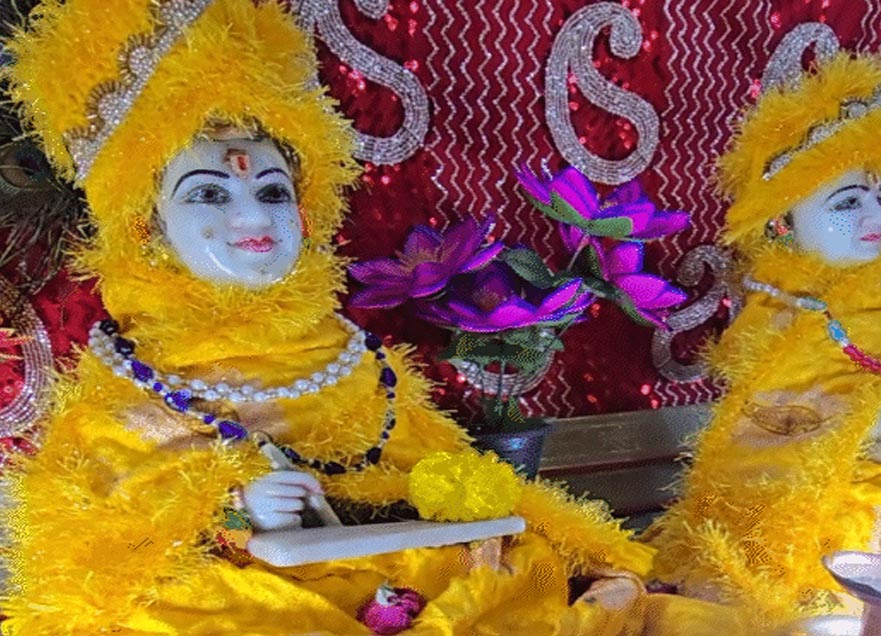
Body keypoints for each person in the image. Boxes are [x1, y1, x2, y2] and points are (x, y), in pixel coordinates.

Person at [0, 1, 736, 633]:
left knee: (523, 568)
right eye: (208, 195)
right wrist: (235, 505)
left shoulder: (354, 356)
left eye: (273, 191)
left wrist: (469, 504)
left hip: (402, 566)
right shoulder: (133, 377)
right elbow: (98, 537)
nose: (252, 217)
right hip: (245, 590)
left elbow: (427, 467)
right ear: (147, 226)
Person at [640, 52, 881, 631]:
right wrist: (856, 427)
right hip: (807, 497)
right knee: (855, 531)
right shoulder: (780, 316)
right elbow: (752, 436)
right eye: (847, 202)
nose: (874, 219)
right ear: (783, 221)